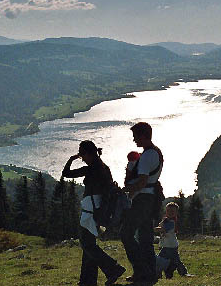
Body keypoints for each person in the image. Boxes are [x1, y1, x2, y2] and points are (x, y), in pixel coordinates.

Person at [62, 140, 126, 286]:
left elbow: (66, 173)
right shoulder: (104, 168)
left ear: (88, 153)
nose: (82, 158)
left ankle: (113, 269)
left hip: (91, 211)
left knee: (87, 244)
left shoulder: (92, 168)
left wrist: (71, 159)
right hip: (98, 210)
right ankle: (87, 281)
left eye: (82, 154)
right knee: (88, 245)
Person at [121, 122, 163, 285]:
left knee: (126, 234)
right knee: (145, 238)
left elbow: (142, 182)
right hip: (150, 199)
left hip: (143, 200)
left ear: (144, 136)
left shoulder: (146, 156)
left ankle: (141, 271)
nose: (134, 140)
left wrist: (126, 190)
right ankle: (149, 274)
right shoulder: (155, 152)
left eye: (136, 136)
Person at [154, 202, 187, 279]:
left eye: (172, 211)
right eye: (168, 211)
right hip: (168, 245)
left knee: (161, 261)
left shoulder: (172, 222)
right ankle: (179, 273)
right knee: (175, 261)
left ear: (176, 213)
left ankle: (158, 274)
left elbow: (161, 229)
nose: (170, 213)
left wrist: (151, 229)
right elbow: (161, 226)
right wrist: (162, 222)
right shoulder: (166, 221)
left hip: (169, 246)